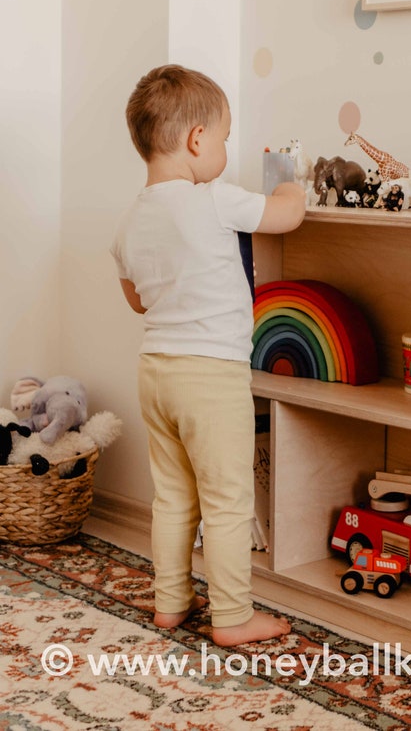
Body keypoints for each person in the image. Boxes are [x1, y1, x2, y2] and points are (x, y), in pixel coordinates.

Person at [111, 64, 305, 646]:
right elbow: (287, 217)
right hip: (211, 377)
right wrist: (291, 184)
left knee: (172, 494)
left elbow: (139, 301)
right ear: (197, 140)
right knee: (226, 498)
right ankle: (233, 616)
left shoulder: (129, 222)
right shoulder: (216, 200)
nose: (223, 149)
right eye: (223, 137)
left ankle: (171, 603)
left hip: (156, 374)